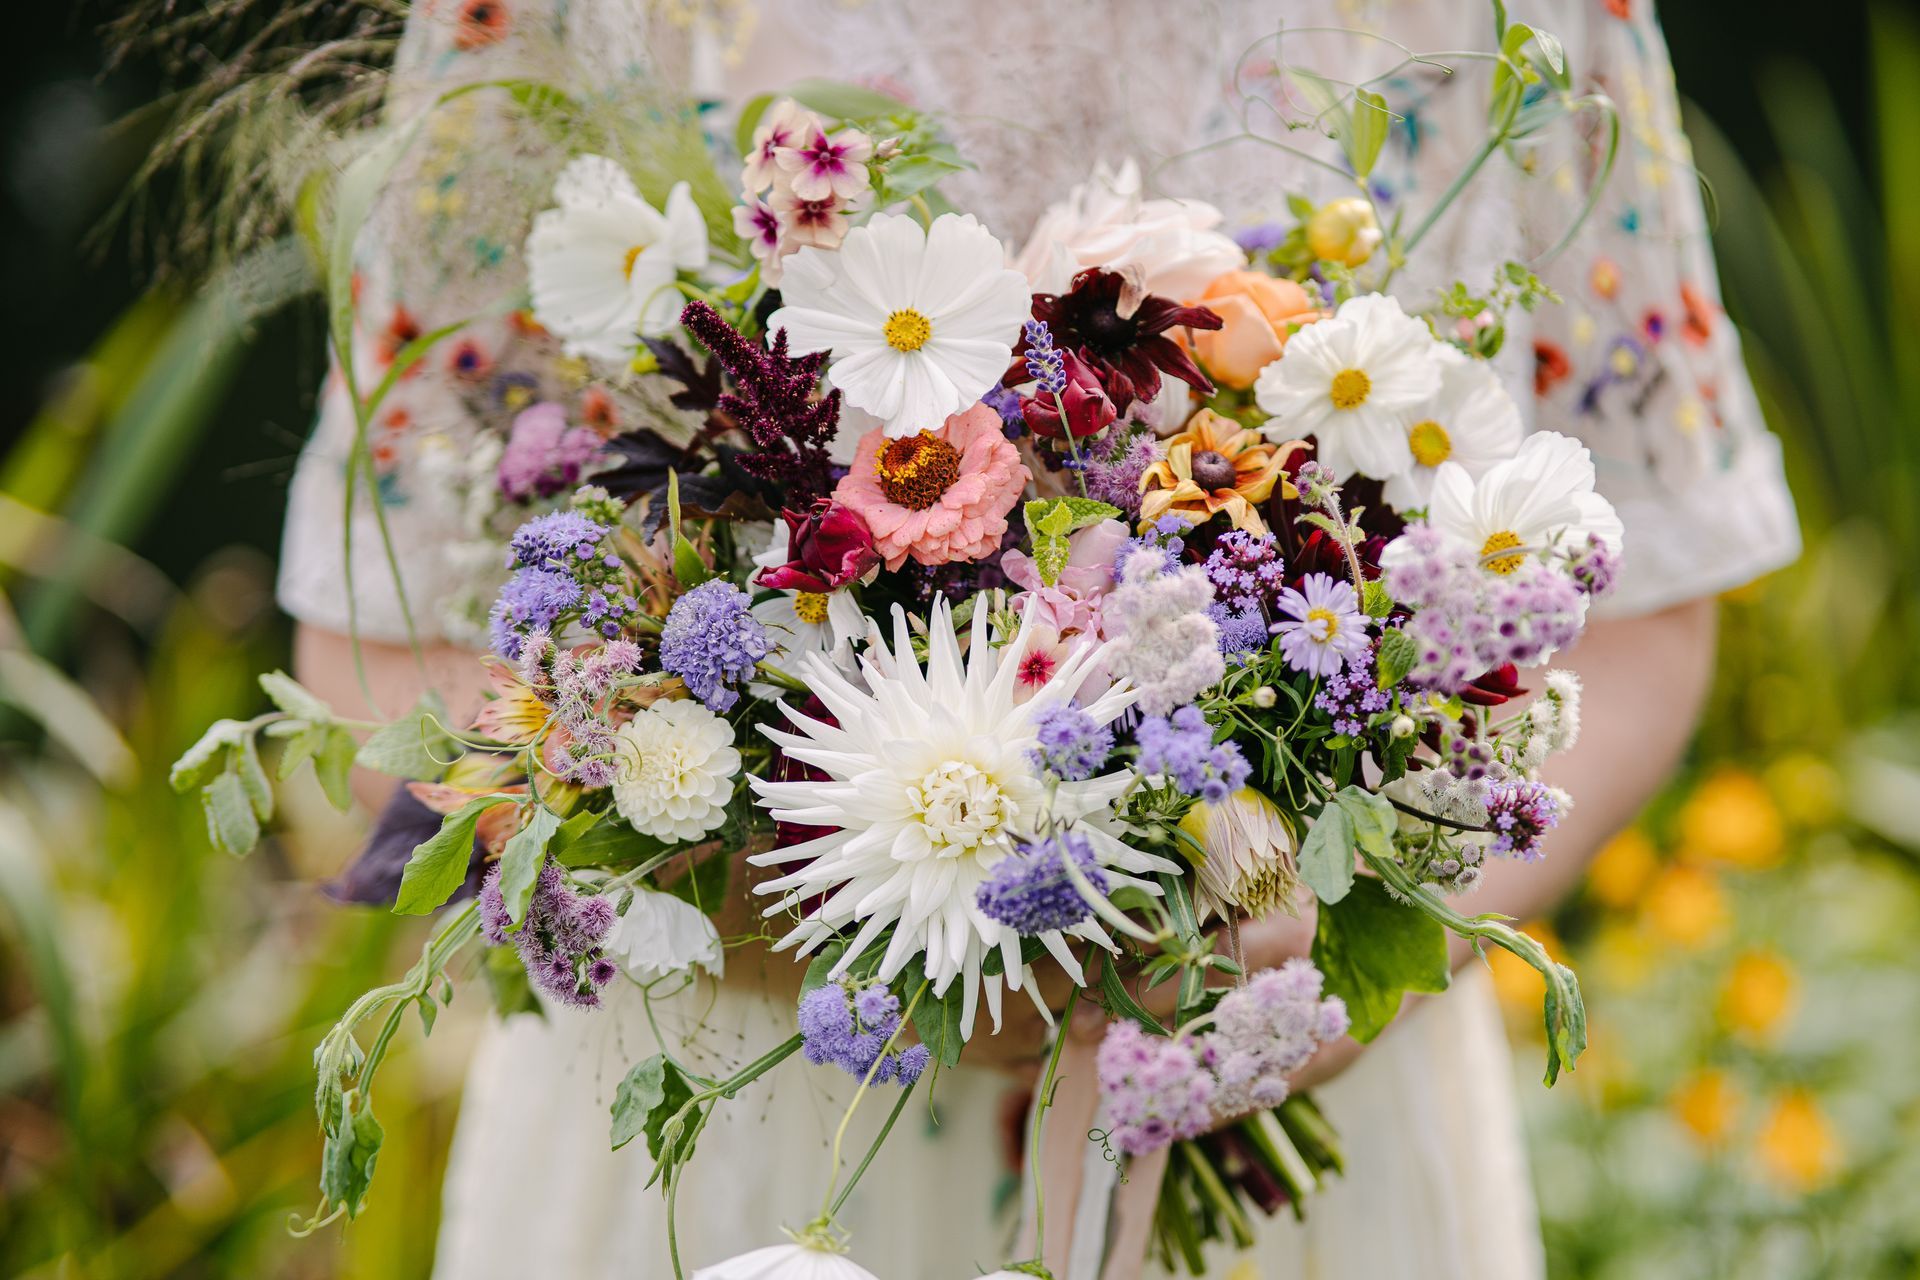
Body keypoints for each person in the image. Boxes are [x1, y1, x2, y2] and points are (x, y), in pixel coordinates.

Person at [280, 2, 1799, 1276]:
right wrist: (817, 906)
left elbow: (1645, 603)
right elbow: (379, 669)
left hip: (1279, 1119)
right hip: (741, 1142)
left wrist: (1321, 949)